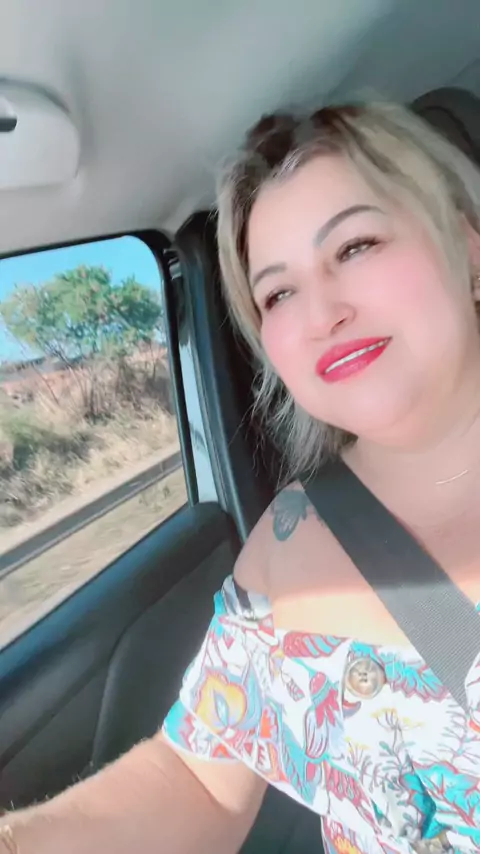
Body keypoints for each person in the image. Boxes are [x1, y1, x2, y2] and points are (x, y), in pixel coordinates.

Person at [2, 100, 480, 854]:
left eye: (355, 245)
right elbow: (196, 780)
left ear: (468, 243)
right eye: (278, 292)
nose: (321, 312)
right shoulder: (290, 543)